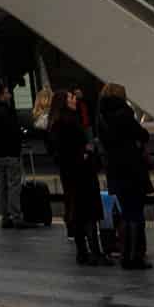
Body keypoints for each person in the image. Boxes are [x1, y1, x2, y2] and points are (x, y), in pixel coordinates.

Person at [95, 83, 153, 270]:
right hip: (132, 168)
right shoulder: (125, 114)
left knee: (126, 212)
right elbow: (142, 134)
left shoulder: (101, 117)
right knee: (136, 212)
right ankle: (135, 256)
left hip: (115, 170)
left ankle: (125, 254)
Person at [47, 88, 105, 265]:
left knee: (77, 212)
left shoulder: (54, 123)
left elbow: (56, 153)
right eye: (71, 97)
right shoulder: (70, 121)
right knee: (89, 213)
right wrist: (87, 153)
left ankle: (82, 251)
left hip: (69, 174)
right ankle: (95, 251)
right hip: (82, 173)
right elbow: (77, 148)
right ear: (64, 101)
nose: (74, 100)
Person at [0, 88, 26, 228]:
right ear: (1, 95)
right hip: (11, 153)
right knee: (14, 185)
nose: (9, 95)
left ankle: (5, 217)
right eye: (7, 92)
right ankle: (17, 217)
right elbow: (14, 131)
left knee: (2, 186)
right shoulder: (7, 111)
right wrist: (18, 147)